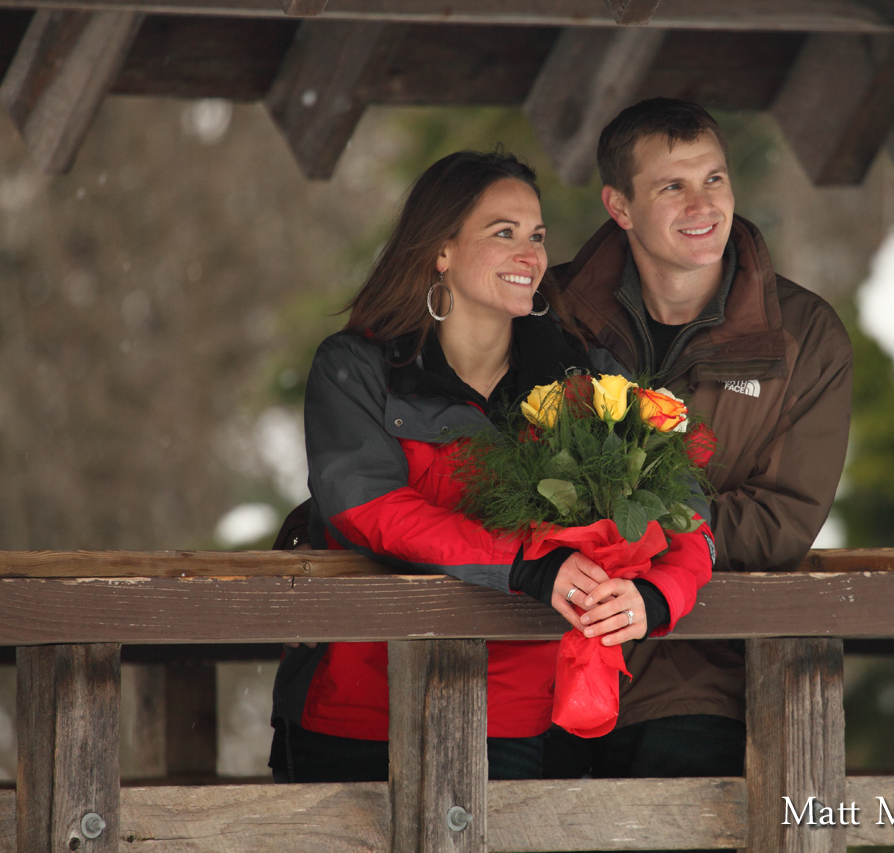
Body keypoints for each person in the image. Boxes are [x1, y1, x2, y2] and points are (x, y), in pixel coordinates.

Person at [268, 150, 714, 784]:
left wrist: (653, 597)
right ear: (440, 249)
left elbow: (690, 518)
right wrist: (524, 562)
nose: (530, 253)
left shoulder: (586, 378)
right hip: (359, 708)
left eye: (536, 235)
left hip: (523, 720)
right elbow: (368, 508)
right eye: (503, 233)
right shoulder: (357, 367)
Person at [542, 99, 853, 793]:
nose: (701, 204)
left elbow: (783, 519)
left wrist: (637, 530)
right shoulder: (550, 312)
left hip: (702, 668)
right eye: (671, 186)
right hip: (549, 656)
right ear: (619, 207)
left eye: (713, 179)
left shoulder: (803, 335)